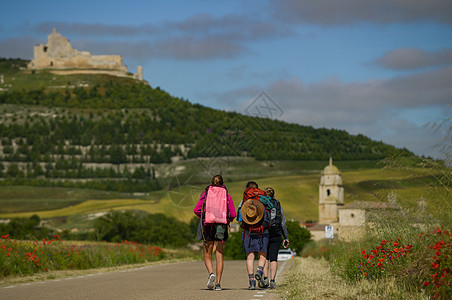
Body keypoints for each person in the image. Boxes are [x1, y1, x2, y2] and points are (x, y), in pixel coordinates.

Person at [194, 174, 236, 291]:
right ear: (222, 183)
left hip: (207, 225)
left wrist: (203, 217)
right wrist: (227, 220)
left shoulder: (206, 194)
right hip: (221, 226)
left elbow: (196, 209)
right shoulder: (227, 195)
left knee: (207, 254)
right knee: (219, 255)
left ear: (211, 182)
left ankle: (211, 273)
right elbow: (233, 214)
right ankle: (218, 283)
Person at [238, 181, 271, 290]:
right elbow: (271, 211)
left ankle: (252, 282)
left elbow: (239, 218)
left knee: (250, 257)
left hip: (248, 231)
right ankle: (260, 271)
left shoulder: (244, 201)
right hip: (263, 231)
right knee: (262, 255)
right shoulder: (262, 198)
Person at [260, 187, 289, 289]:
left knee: (265, 257)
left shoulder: (262, 204)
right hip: (276, 234)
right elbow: (282, 222)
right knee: (274, 258)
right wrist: (286, 237)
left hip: (264, 233)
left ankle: (265, 278)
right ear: (274, 195)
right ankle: (272, 280)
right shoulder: (278, 204)